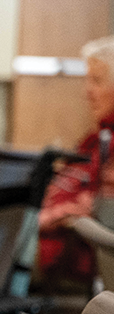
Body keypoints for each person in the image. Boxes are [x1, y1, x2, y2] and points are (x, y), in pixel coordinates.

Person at [38, 34, 114, 283]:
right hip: (44, 240)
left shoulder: (108, 146)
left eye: (97, 81)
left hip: (68, 254)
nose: (87, 92)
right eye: (87, 80)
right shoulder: (94, 140)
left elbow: (98, 209)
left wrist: (37, 220)